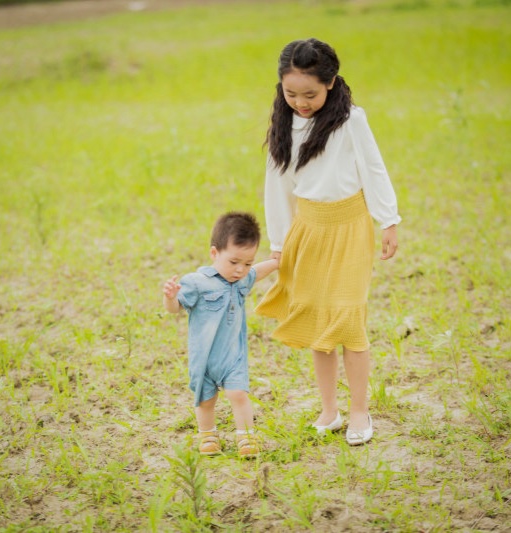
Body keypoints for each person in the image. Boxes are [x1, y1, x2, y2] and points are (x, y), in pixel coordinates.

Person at [255, 38, 401, 446]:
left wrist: (388, 220)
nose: (300, 102)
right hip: (308, 230)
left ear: (332, 83)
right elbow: (278, 185)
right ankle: (329, 409)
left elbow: (374, 168)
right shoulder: (284, 123)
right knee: (320, 320)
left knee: (349, 317)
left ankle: (359, 410)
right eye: (291, 93)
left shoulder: (350, 120)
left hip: (350, 227)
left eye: (310, 94)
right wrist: (280, 244)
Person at [163, 212, 279, 457]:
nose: (240, 270)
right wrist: (170, 297)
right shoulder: (196, 282)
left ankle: (246, 437)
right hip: (204, 357)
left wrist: (277, 261)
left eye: (246, 263)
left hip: (232, 357)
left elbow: (258, 272)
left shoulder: (242, 280)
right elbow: (175, 309)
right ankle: (207, 435)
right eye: (234, 262)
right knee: (206, 400)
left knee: (238, 394)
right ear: (214, 253)